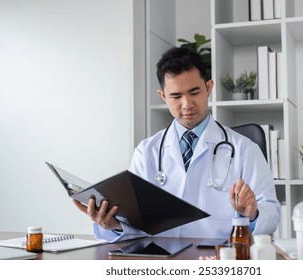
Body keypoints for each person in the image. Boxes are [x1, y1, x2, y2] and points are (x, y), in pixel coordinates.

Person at [74, 47, 280, 242]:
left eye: (194, 92)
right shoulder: (147, 152)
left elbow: (272, 213)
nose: (187, 104)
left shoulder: (244, 149)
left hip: (219, 257)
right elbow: (134, 225)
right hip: (162, 260)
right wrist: (113, 225)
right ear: (163, 96)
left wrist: (253, 214)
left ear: (208, 88)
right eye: (175, 96)